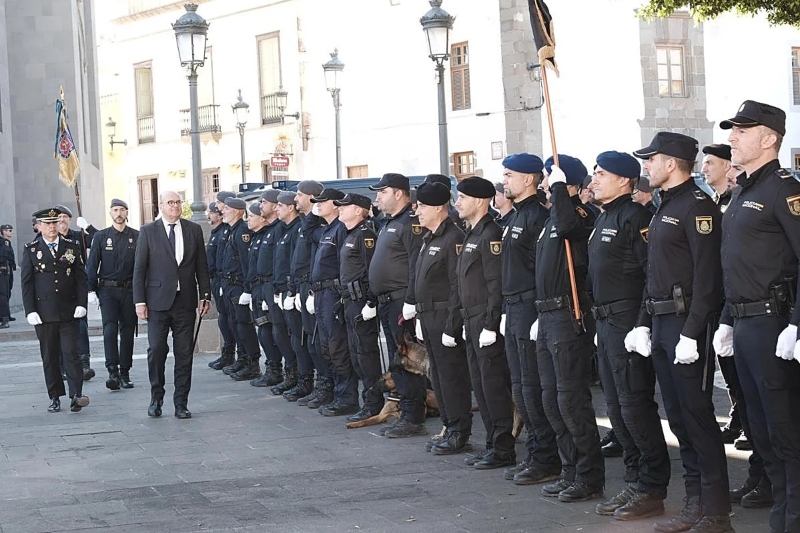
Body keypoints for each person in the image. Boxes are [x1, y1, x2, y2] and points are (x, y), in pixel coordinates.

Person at [629, 132, 732, 533]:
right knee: (679, 418)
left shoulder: (698, 207)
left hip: (687, 324)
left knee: (698, 417)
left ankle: (716, 510)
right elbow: (653, 274)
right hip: (661, 320)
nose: (646, 167)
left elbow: (708, 277)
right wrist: (642, 322)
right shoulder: (664, 205)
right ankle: (694, 502)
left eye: (651, 160)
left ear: (671, 163)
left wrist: (693, 331)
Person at [713, 100, 799, 531]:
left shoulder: (784, 189)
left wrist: (798, 324)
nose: (733, 137)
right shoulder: (744, 189)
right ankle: (781, 514)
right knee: (760, 430)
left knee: (785, 431)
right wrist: (728, 317)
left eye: (742, 131)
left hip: (774, 323)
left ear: (769, 139)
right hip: (746, 324)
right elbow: (737, 264)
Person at [588, 151, 670, 519]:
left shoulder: (636, 217)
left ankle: (652, 486)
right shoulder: (605, 216)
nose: (594, 180)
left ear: (624, 180)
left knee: (635, 405)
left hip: (626, 320)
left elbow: (650, 274)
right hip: (605, 321)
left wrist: (641, 323)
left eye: (601, 173)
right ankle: (635, 480)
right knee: (617, 409)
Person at [531, 155, 604, 502]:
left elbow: (569, 227)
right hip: (546, 317)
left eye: (550, 178)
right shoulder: (552, 216)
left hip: (567, 315)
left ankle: (589, 476)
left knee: (571, 400)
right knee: (551, 399)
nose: (544, 183)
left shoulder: (580, 214)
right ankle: (569, 468)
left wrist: (561, 189)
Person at [498, 153, 562, 485]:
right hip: (513, 307)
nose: (504, 180)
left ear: (528, 180)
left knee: (531, 386)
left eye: (509, 175)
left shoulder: (536, 216)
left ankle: (546, 456)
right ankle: (536, 452)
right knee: (520, 387)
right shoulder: (515, 216)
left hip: (529, 306)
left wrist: (537, 310)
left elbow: (543, 270)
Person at [133, 191, 211, 419]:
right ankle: (156, 398)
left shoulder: (193, 230)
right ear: (161, 206)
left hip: (185, 302)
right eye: (170, 203)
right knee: (156, 350)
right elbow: (139, 269)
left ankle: (181, 403)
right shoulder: (148, 232)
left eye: (178, 202)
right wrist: (139, 301)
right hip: (157, 303)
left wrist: (205, 295)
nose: (175, 206)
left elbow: (201, 266)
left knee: (184, 353)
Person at [455, 177, 516, 468]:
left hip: (484, 318)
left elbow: (495, 282)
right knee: (479, 385)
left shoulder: (490, 233)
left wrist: (492, 323)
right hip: (471, 319)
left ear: (479, 201)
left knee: (493, 386)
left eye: (462, 198)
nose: (458, 203)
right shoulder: (472, 233)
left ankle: (503, 447)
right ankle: (492, 442)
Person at [414, 182, 470, 452]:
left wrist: (452, 325)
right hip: (428, 315)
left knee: (451, 377)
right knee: (437, 376)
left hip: (444, 315)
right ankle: (449, 425)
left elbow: (457, 285)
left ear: (438, 207)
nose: (418, 211)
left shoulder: (453, 238)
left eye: (422, 206)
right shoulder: (431, 237)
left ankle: (459, 430)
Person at [21, 207, 90, 413]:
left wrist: (81, 303)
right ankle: (55, 396)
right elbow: (27, 283)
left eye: (54, 223)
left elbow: (80, 277)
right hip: (44, 313)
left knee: (72, 353)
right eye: (47, 223)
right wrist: (30, 310)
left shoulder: (71, 246)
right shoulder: (31, 249)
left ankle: (76, 395)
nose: (52, 227)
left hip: (68, 310)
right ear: (39, 226)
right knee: (50, 357)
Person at [333, 193, 386, 426]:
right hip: (349, 301)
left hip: (361, 301)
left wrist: (371, 302)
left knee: (366, 355)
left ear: (358, 210)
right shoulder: (349, 234)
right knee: (356, 354)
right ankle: (368, 401)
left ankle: (373, 404)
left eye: (345, 207)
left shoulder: (365, 234)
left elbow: (371, 270)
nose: (340, 210)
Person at [309, 188, 359, 416]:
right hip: (321, 294)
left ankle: (347, 397)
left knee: (338, 347)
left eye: (322, 201)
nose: (317, 205)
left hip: (333, 292)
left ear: (337, 204)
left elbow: (344, 265)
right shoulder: (326, 229)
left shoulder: (340, 229)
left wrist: (340, 295)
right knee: (326, 346)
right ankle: (337, 393)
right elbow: (306, 229)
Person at [85, 199, 139, 390]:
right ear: (110, 213)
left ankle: (125, 372)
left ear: (127, 213)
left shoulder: (137, 236)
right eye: (115, 210)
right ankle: (112, 371)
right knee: (109, 330)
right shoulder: (101, 236)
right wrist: (90, 289)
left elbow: (142, 267)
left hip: (130, 289)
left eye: (122, 210)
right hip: (107, 289)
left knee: (128, 331)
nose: (119, 213)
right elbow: (92, 265)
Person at [287, 181, 331, 406]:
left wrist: (312, 290)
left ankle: (326, 385)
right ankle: (317, 384)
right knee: (307, 340)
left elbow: (319, 259)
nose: (296, 198)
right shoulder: (306, 224)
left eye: (300, 194)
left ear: (313, 198)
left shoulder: (320, 225)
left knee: (316, 341)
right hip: (302, 287)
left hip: (315, 288)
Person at [273, 191, 314, 399]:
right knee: (288, 336)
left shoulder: (300, 227)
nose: (275, 208)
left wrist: (293, 290)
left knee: (301, 339)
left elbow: (298, 263)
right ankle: (296, 376)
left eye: (280, 205)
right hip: (284, 290)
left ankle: (306, 380)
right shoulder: (286, 230)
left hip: (298, 289)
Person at [217, 197, 262, 381]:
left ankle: (252, 363)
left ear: (237, 211)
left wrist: (247, 289)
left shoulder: (242, 232)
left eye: (226, 209)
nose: (223, 212)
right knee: (235, 324)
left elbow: (246, 262)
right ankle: (243, 359)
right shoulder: (232, 231)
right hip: (229, 284)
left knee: (243, 325)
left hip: (238, 285)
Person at [55, 205, 95, 381]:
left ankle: (84, 363)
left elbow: (99, 239)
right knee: (61, 329)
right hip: (57, 291)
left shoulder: (78, 237)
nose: (62, 220)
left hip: (78, 288)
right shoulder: (49, 238)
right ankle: (63, 366)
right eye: (59, 217)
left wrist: (88, 227)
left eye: (65, 217)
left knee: (81, 327)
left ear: (70, 220)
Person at [206, 196, 238, 371]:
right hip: (217, 278)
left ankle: (233, 354)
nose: (209, 215)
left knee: (230, 319)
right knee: (224, 318)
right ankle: (227, 353)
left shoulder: (226, 231)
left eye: (211, 212)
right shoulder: (216, 233)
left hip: (226, 278)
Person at [701, 144, 733, 209]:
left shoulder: (737, 200)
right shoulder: (711, 200)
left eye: (709, 163)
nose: (703, 170)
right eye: (703, 164)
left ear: (726, 165)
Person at [0, 228, 13, 328]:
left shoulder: (3, 242)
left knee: (3, 295)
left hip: (2, 271)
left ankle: (5, 319)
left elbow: (3, 255)